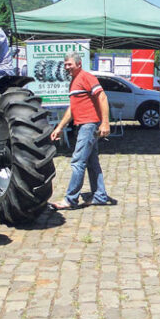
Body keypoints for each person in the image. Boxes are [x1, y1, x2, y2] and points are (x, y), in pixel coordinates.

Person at [50, 53, 115, 209]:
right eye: (65, 64)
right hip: (84, 125)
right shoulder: (74, 82)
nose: (67, 67)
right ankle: (99, 196)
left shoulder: (87, 77)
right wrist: (59, 127)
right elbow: (72, 109)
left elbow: (102, 97)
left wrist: (105, 123)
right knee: (92, 162)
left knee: (78, 161)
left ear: (79, 64)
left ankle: (70, 199)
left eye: (70, 64)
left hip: (89, 124)